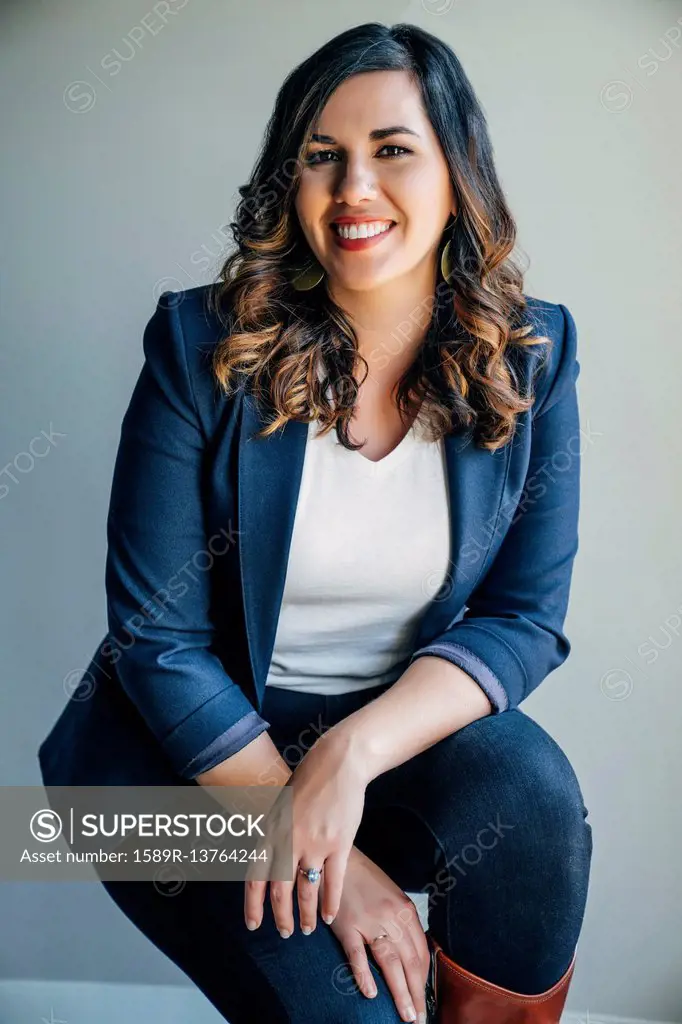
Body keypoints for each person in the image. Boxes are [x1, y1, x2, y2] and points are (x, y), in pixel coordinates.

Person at [38, 21, 593, 1024]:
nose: (353, 192)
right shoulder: (198, 345)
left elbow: (523, 613)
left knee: (535, 799)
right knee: (358, 1011)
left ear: (457, 172)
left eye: (391, 150)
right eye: (320, 158)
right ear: (286, 186)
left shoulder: (532, 354)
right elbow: (155, 639)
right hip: (168, 779)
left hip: (373, 756)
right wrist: (336, 866)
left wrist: (344, 757)